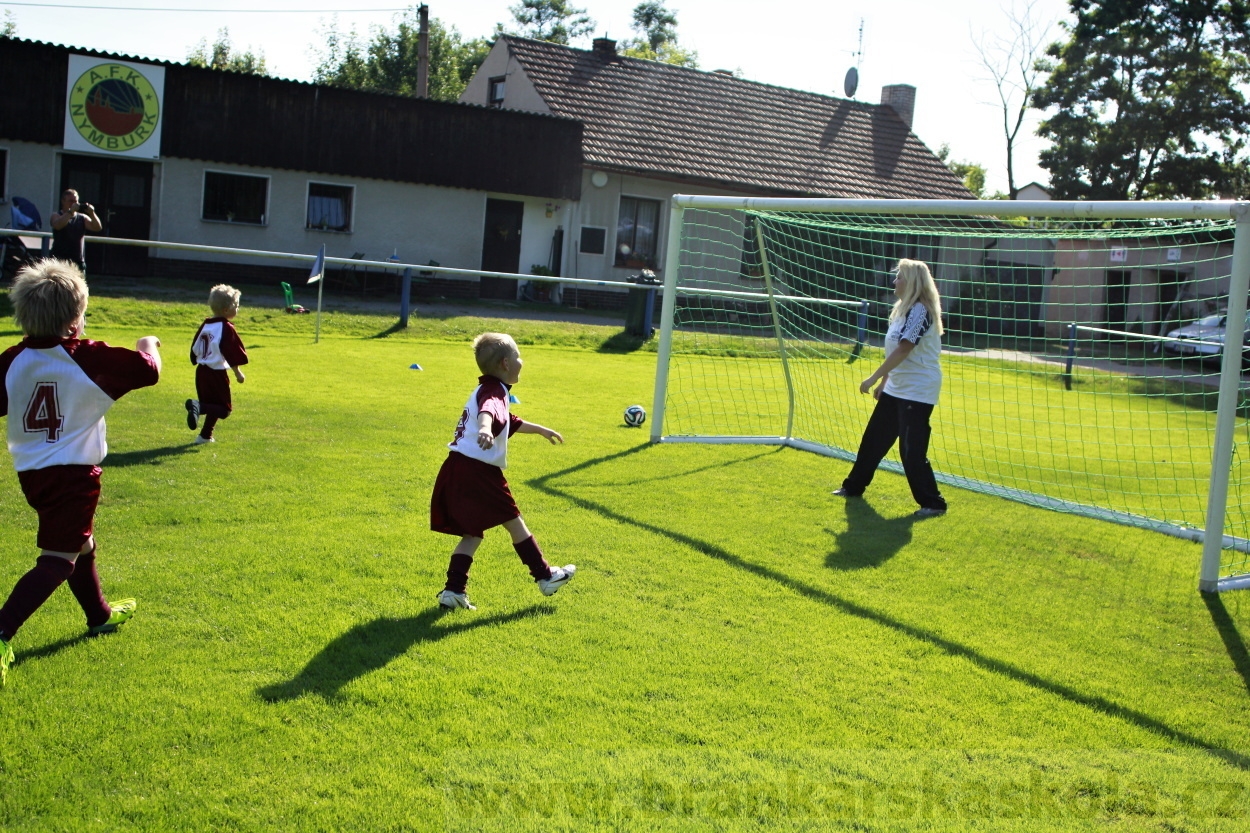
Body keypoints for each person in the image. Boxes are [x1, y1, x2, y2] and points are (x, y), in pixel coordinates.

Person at [0, 260, 162, 686]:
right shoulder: (84, 356)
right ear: (75, 322)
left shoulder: (13, 360)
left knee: (81, 544)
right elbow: (149, 370)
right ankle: (1, 632)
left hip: (33, 474)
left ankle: (100, 616)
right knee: (59, 559)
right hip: (73, 475)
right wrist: (148, 342)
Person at [430, 332, 574, 610]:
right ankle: (545, 577)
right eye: (518, 356)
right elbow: (490, 412)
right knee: (514, 521)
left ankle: (453, 591)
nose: (522, 361)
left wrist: (541, 430)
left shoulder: (488, 388)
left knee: (472, 533)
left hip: (457, 466)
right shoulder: (494, 392)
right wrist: (485, 428)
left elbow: (509, 420)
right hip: (478, 470)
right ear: (506, 364)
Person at [834, 258, 948, 518]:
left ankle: (933, 504)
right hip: (898, 386)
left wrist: (873, 377)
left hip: (918, 390)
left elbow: (905, 348)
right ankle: (852, 487)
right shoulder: (901, 309)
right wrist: (886, 383)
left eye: (899, 277)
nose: (894, 281)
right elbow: (896, 351)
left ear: (911, 282)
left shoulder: (921, 310)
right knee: (874, 439)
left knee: (911, 449)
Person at [185, 285, 247, 444]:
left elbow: (195, 346)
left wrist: (195, 359)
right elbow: (230, 350)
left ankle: (205, 436)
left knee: (213, 404)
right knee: (224, 409)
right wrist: (238, 372)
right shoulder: (226, 327)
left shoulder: (206, 325)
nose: (238, 309)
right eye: (237, 306)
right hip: (216, 373)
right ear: (227, 309)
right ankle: (198, 407)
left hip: (202, 371)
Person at [49, 189, 103, 274]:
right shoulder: (56, 215)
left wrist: (92, 214)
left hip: (77, 263)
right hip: (59, 261)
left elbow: (97, 227)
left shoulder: (82, 218)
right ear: (63, 201)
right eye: (70, 201)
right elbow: (58, 225)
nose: (74, 204)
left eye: (76, 201)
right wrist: (70, 212)